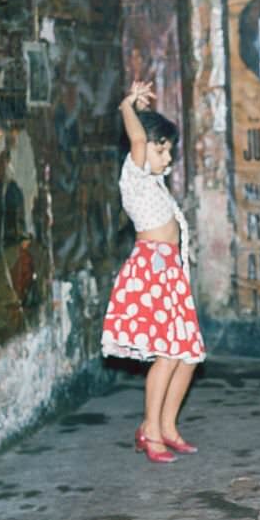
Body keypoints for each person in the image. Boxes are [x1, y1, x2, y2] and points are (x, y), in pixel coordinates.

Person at [102, 80, 206, 464]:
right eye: (161, 150)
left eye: (168, 151)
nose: (167, 158)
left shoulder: (156, 184)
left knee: (189, 355)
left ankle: (167, 425)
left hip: (170, 275)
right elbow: (137, 139)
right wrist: (128, 104)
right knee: (166, 354)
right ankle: (149, 429)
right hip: (152, 274)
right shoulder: (136, 173)